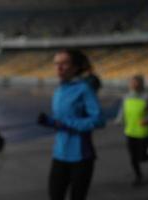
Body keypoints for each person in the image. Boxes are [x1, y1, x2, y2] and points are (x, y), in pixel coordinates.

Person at [37, 49, 104, 200]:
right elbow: (60, 122)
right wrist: (50, 122)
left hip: (81, 157)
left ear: (75, 67)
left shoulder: (84, 89)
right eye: (56, 64)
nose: (58, 68)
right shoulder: (59, 90)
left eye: (64, 64)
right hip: (60, 154)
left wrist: (65, 124)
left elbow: (99, 120)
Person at [115, 75, 148, 186]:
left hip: (142, 131)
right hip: (129, 131)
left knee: (141, 156)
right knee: (133, 157)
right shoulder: (126, 97)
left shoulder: (147, 97)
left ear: (141, 84)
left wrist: (147, 120)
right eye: (131, 82)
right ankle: (138, 176)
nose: (133, 85)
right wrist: (118, 120)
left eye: (136, 83)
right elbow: (122, 110)